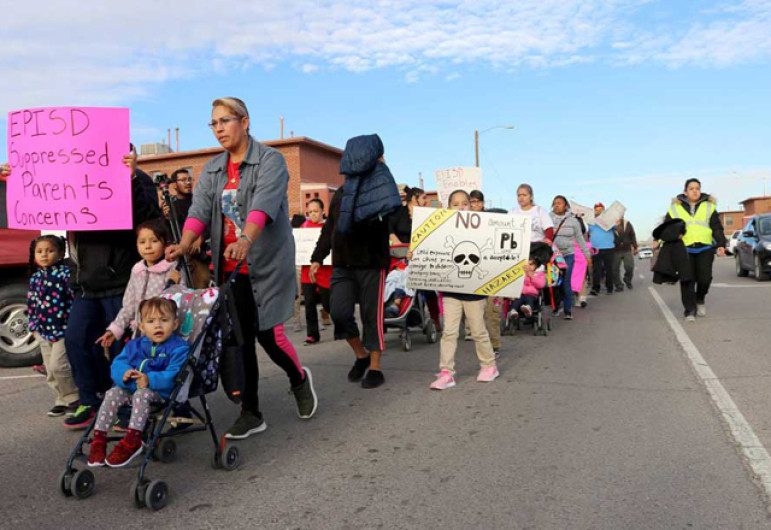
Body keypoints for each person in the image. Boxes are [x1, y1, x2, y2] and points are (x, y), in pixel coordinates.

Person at [167, 97, 317, 439]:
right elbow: (199, 211)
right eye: (214, 123)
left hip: (266, 263)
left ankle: (298, 380)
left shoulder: (271, 161)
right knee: (240, 340)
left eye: (225, 121)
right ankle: (251, 413)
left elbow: (263, 204)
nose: (219, 128)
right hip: (231, 269)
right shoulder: (213, 170)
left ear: (245, 122)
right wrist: (186, 242)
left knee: (269, 336)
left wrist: (246, 239)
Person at [55, 145, 162, 430]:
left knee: (121, 349)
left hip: (118, 282)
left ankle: (128, 404)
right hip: (85, 285)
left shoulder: (139, 179)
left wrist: (131, 179)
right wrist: (17, 177)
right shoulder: (74, 182)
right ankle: (91, 400)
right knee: (76, 341)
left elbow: (150, 216)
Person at [310, 135, 394, 389]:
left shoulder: (383, 192)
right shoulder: (341, 194)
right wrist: (316, 258)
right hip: (342, 265)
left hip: (372, 263)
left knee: (371, 316)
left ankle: (376, 367)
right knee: (340, 312)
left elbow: (400, 224)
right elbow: (329, 229)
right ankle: (361, 355)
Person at [87, 298, 189, 467]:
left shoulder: (179, 348)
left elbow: (173, 374)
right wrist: (124, 374)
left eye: (164, 320)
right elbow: (118, 364)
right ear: (141, 327)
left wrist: (150, 379)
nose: (158, 326)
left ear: (175, 324)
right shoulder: (134, 345)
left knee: (142, 394)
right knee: (112, 393)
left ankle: (133, 440)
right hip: (131, 388)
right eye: (150, 322)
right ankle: (99, 440)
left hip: (160, 393)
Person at [430, 189, 498, 391]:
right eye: (455, 203)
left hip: (475, 290)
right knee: (449, 332)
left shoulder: (484, 228)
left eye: (465, 203)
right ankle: (446, 372)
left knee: (478, 330)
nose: (461, 207)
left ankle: (489, 365)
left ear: (472, 205)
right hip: (450, 289)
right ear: (448, 207)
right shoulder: (440, 230)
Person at [95, 219, 180, 348]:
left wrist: (173, 283)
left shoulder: (173, 269)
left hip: (164, 335)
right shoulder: (137, 270)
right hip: (140, 335)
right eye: (142, 242)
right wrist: (114, 330)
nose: (147, 246)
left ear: (165, 245)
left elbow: (180, 302)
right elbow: (128, 306)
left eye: (154, 241)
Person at [26, 235, 79, 416]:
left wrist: (73, 324)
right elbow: (32, 304)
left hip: (63, 329)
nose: (44, 255)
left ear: (61, 253)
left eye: (50, 251)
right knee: (49, 368)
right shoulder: (35, 278)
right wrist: (33, 326)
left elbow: (73, 301)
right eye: (40, 251)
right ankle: (60, 400)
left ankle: (73, 398)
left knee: (59, 365)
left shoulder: (65, 275)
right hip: (43, 330)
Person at [664, 178, 726, 321]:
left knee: (705, 279)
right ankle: (689, 311)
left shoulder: (709, 207)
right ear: (685, 192)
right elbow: (667, 228)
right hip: (684, 249)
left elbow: (716, 227)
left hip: (705, 247)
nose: (695, 191)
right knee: (687, 280)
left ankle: (700, 299)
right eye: (691, 188)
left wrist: (721, 244)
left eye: (697, 188)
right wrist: (664, 239)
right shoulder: (675, 208)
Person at [467, 189, 502, 355]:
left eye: (478, 202)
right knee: (475, 312)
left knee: (492, 311)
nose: (475, 205)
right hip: (472, 270)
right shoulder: (462, 221)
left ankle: (494, 345)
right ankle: (481, 344)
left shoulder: (493, 220)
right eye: (472, 202)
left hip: (491, 269)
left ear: (483, 203)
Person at [550, 195, 591, 320]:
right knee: (554, 282)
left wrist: (587, 255)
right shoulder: (548, 219)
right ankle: (556, 307)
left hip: (568, 255)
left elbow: (580, 239)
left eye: (559, 203)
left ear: (566, 206)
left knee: (566, 282)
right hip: (553, 256)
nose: (556, 205)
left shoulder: (573, 221)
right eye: (554, 203)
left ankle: (568, 310)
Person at [300, 199, 332, 345]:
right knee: (309, 304)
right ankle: (312, 335)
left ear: (322, 212)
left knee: (328, 304)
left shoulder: (328, 228)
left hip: (326, 272)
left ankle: (343, 327)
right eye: (310, 212)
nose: (313, 214)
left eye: (316, 211)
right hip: (307, 273)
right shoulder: (303, 227)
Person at [588, 203, 617, 296]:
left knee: (609, 269)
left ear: (604, 210)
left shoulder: (609, 220)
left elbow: (615, 227)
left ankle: (610, 287)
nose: (599, 211)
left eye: (601, 209)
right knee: (596, 269)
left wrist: (608, 221)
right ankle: (596, 288)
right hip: (596, 248)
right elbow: (586, 231)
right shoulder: (590, 221)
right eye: (596, 209)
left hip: (609, 247)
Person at [613, 216, 638, 291]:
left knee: (629, 266)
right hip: (615, 250)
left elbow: (632, 235)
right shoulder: (610, 224)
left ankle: (627, 279)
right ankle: (619, 285)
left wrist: (635, 247)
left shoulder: (627, 223)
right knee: (614, 269)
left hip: (627, 249)